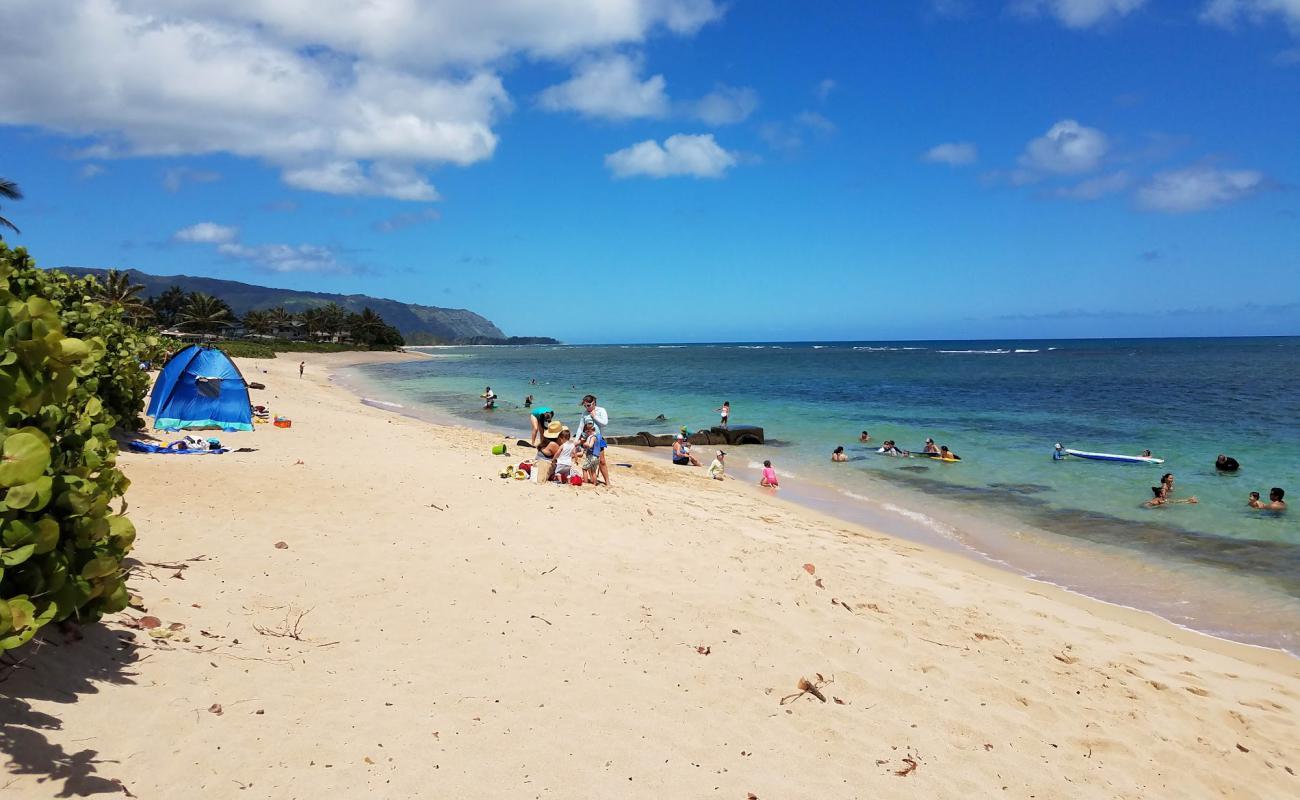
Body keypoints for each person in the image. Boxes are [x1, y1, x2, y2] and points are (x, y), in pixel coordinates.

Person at [576, 395, 611, 486]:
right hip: (587, 439)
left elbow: (605, 423)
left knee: (601, 461)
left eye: (588, 405)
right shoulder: (584, 413)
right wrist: (576, 441)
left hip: (598, 439)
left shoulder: (601, 410)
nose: (587, 407)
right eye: (585, 406)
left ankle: (607, 482)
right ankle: (592, 481)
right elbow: (580, 428)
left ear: (593, 403)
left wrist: (594, 416)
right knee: (590, 460)